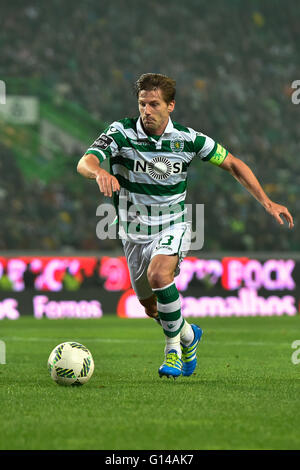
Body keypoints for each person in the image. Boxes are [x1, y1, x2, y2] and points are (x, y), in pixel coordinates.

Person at [77, 73, 294, 379]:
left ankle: (173, 353)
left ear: (171, 106)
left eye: (154, 104)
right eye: (142, 103)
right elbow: (85, 161)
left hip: (173, 226)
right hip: (133, 233)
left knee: (159, 274)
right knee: (151, 308)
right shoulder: (121, 133)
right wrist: (98, 171)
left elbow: (233, 163)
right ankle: (189, 336)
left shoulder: (189, 139)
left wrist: (267, 202)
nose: (146, 110)